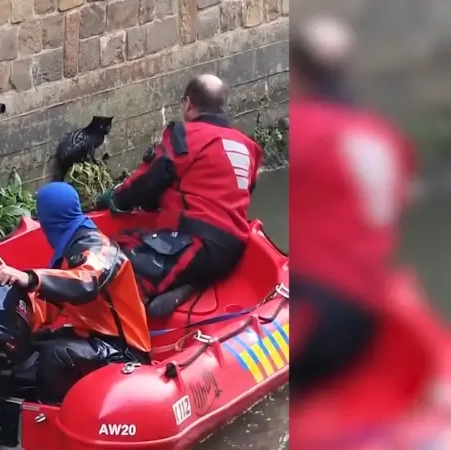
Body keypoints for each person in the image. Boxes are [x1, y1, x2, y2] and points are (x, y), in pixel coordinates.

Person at [289, 17, 416, 397]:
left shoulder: (306, 128)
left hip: (320, 308)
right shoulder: (385, 136)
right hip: (372, 303)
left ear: (297, 72)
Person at [96, 74, 264, 318]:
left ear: (187, 103)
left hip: (194, 242)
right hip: (231, 251)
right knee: (141, 242)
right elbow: (240, 190)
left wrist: (116, 198)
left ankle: (128, 325)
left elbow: (149, 179)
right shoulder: (248, 147)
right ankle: (189, 284)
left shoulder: (185, 135)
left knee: (111, 262)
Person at [0, 182, 151, 404]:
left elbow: (85, 284)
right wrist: (10, 320)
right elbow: (49, 302)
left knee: (56, 355)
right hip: (89, 337)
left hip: (125, 350)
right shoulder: (69, 251)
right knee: (27, 346)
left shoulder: (99, 248)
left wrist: (30, 278)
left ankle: (50, 415)